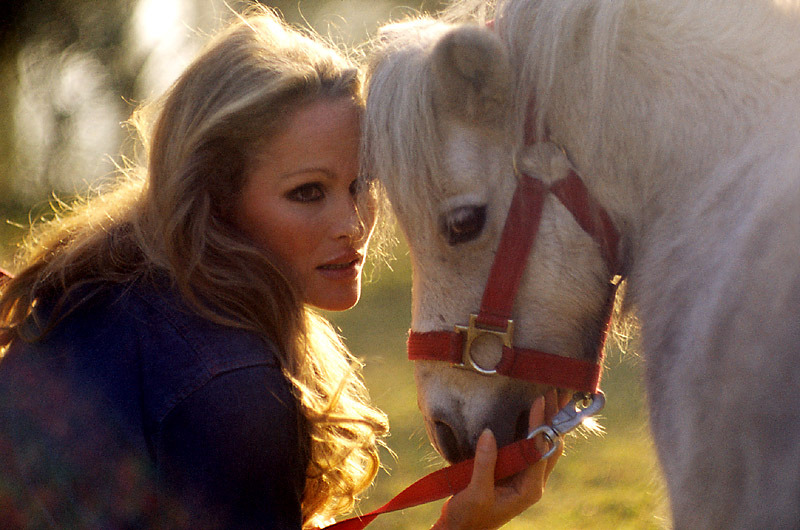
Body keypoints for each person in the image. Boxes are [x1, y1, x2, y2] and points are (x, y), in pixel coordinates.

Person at [0, 8, 562, 529]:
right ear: (217, 197)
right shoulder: (237, 392)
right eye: (307, 192)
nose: (353, 223)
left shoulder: (105, 283)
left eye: (360, 184)